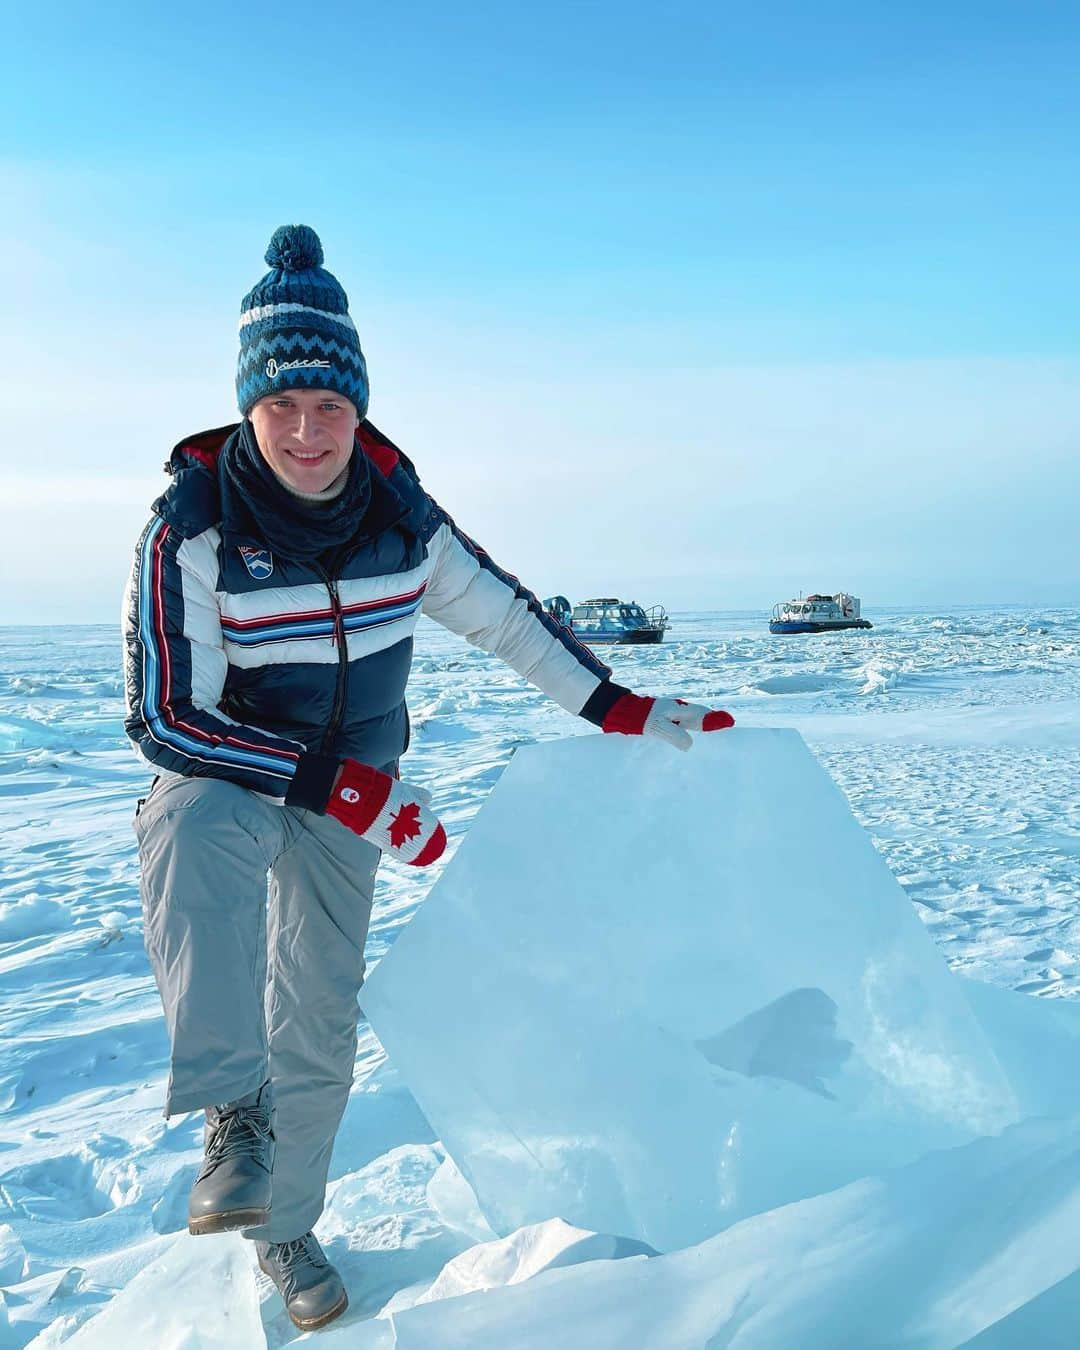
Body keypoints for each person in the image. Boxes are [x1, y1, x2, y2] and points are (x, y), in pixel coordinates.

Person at [122, 224, 734, 1332]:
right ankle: (232, 1109)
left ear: (360, 411)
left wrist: (620, 706)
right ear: (247, 410)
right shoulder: (193, 529)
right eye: (283, 407)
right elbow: (167, 717)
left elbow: (507, 617)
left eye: (333, 409)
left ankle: (285, 1228)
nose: (309, 434)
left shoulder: (402, 521)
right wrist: (334, 784)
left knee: (318, 1010)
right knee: (189, 829)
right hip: (237, 771)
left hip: (355, 783)